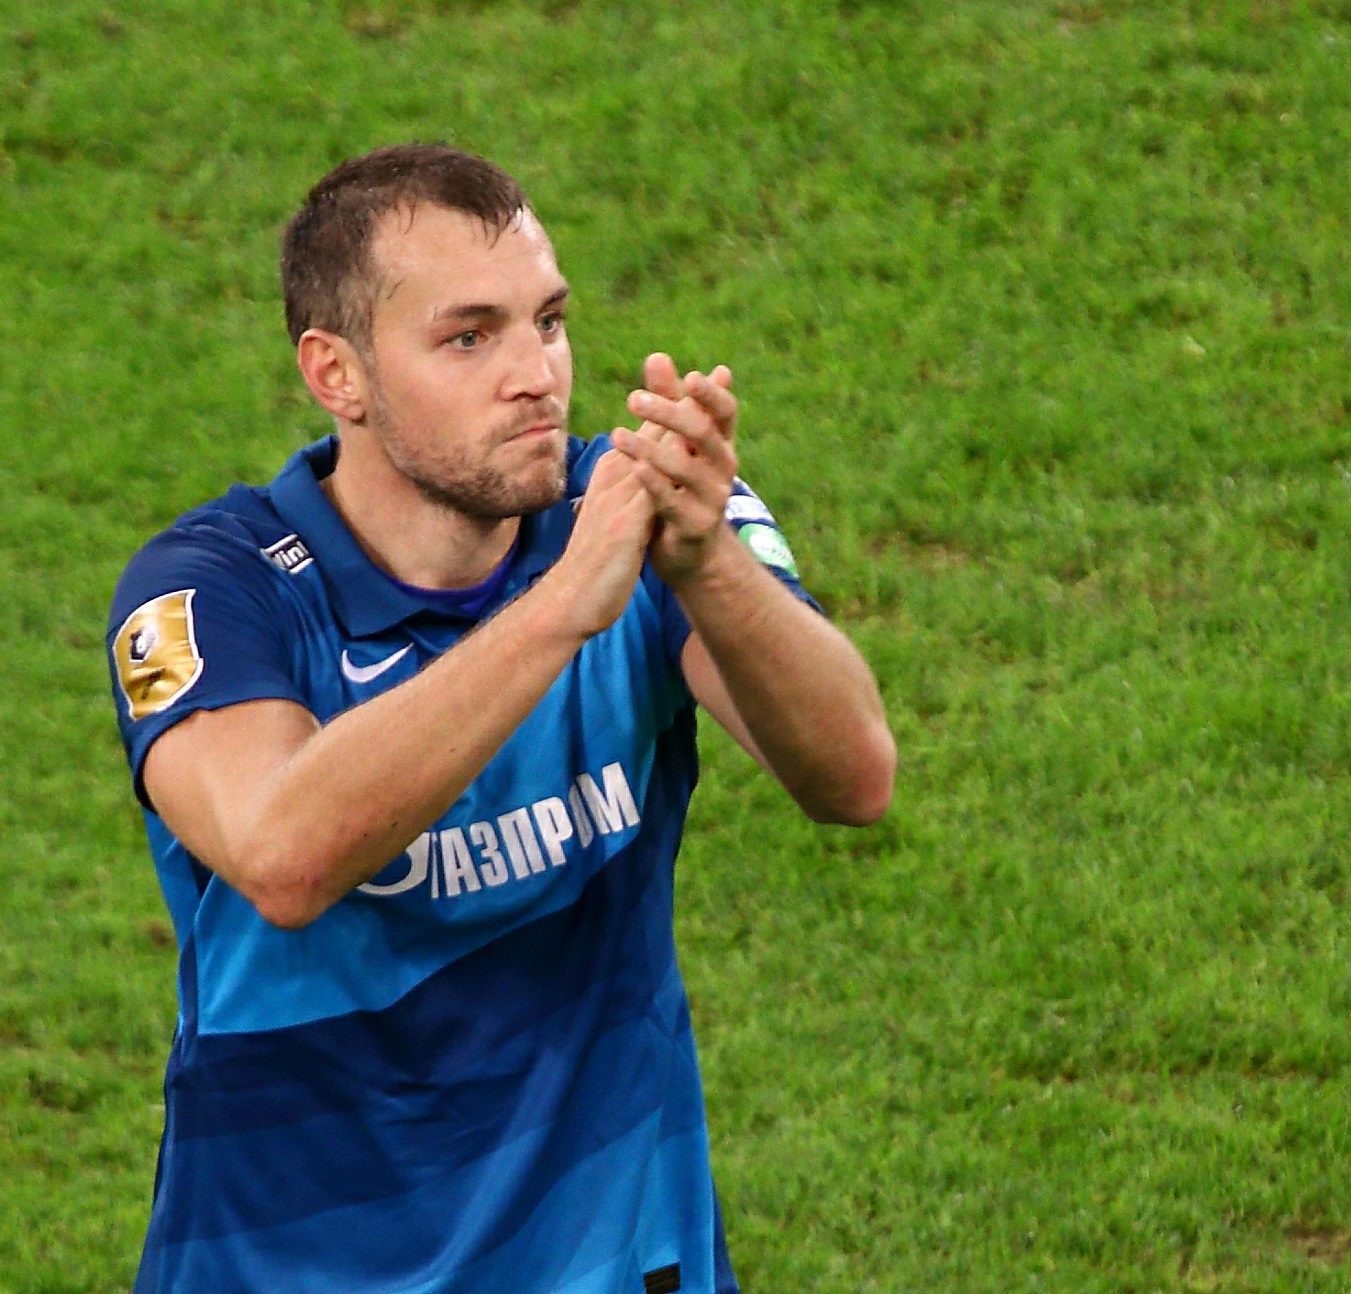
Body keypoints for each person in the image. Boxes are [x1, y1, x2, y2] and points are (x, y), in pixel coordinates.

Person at [105, 143, 895, 1294]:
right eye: (469, 337)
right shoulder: (212, 588)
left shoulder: (637, 511)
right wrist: (561, 608)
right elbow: (281, 854)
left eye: (548, 322)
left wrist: (709, 569)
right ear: (337, 375)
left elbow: (852, 777)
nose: (535, 375)